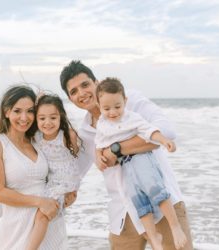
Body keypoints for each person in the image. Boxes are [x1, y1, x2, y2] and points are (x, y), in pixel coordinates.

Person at [60, 60, 193, 250]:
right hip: (123, 213)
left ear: (96, 82)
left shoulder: (130, 100)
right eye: (73, 91)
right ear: (70, 99)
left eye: (85, 84)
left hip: (162, 201)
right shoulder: (85, 131)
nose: (81, 93)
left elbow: (167, 132)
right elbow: (75, 172)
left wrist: (117, 149)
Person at [94, 77, 187, 250]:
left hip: (141, 158)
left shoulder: (131, 117)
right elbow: (99, 143)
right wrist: (99, 155)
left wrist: (164, 140)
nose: (112, 112)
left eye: (117, 107)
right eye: (106, 108)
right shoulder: (102, 124)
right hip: (127, 166)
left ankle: (175, 227)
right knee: (139, 201)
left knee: (156, 190)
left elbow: (149, 131)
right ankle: (154, 236)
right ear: (99, 105)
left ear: (125, 102)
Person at [0, 85, 67, 249]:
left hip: (49, 223)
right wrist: (40, 202)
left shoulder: (38, 141)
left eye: (30, 111)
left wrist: (69, 193)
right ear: (6, 112)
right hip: (18, 226)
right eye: (17, 111)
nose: (24, 117)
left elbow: (61, 167)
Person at [26, 94, 81, 250]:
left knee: (42, 216)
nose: (47, 123)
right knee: (38, 216)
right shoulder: (36, 137)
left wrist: (73, 189)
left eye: (53, 117)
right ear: (36, 119)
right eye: (42, 118)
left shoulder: (67, 136)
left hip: (65, 183)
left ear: (60, 117)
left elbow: (75, 160)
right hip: (50, 182)